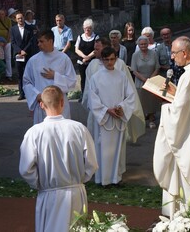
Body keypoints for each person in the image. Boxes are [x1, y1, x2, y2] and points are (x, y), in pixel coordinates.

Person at [19, 85, 98, 232]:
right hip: (75, 193)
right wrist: (79, 180)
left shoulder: (34, 133)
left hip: (49, 194)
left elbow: (26, 169)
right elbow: (91, 163)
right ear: (63, 102)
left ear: (41, 105)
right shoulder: (79, 128)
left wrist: (40, 184)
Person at [153, 36, 190, 219]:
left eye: (174, 52)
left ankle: (185, 214)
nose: (172, 57)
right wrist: (176, 93)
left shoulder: (189, 75)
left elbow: (179, 113)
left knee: (184, 171)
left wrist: (165, 108)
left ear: (184, 53)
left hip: (188, 137)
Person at [82, 38, 145, 143]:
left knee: (117, 145)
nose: (94, 52)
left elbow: (128, 90)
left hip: (117, 112)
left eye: (97, 49)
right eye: (94, 49)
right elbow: (89, 91)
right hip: (99, 113)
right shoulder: (92, 65)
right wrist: (101, 109)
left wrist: (121, 107)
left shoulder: (119, 64)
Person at [88, 47, 135, 186]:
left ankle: (116, 178)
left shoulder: (122, 76)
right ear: (101, 60)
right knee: (102, 148)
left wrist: (121, 107)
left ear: (116, 59)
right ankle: (103, 179)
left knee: (117, 149)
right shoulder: (96, 78)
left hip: (118, 117)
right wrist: (106, 110)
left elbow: (130, 96)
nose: (110, 62)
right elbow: (93, 99)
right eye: (107, 59)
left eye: (112, 59)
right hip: (104, 119)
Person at [23, 29, 76, 124]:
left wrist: (55, 76)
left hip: (59, 105)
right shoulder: (33, 60)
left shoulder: (63, 58)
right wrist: (36, 95)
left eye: (42, 41)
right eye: (38, 41)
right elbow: (26, 82)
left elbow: (72, 81)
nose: (38, 44)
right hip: (41, 104)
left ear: (50, 41)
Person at [131, 35, 160, 129]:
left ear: (148, 44)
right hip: (140, 82)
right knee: (141, 102)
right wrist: (144, 79)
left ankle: (151, 120)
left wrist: (150, 79)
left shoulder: (154, 53)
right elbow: (134, 70)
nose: (143, 46)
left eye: (145, 44)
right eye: (141, 44)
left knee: (151, 101)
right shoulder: (135, 55)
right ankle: (141, 121)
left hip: (152, 81)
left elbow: (157, 67)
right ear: (138, 45)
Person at [11, 12, 33, 100]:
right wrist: (20, 51)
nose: (20, 20)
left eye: (21, 18)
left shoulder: (29, 28)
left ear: (24, 18)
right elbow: (13, 42)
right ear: (16, 20)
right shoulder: (13, 29)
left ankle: (29, 92)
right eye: (18, 18)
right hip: (18, 55)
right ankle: (21, 93)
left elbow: (31, 41)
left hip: (27, 54)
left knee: (28, 74)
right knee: (20, 75)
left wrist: (25, 51)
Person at [75, 18, 99, 97]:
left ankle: (93, 95)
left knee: (92, 79)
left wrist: (88, 57)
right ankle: (83, 95)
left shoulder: (96, 37)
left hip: (92, 62)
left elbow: (96, 49)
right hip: (81, 62)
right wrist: (84, 57)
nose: (87, 30)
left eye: (88, 28)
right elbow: (76, 49)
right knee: (83, 79)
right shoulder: (80, 37)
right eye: (85, 28)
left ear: (92, 28)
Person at [0, 9, 13, 81]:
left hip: (7, 41)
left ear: (5, 14)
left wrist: (7, 41)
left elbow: (10, 30)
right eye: (0, 14)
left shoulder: (8, 20)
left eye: (3, 14)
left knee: (8, 58)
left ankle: (9, 74)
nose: (1, 15)